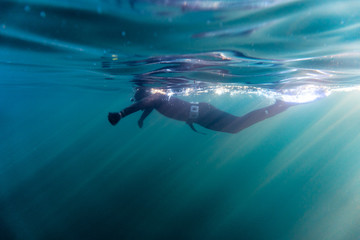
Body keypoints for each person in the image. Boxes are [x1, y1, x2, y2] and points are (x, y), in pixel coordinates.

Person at [108, 88, 297, 134]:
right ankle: (280, 106)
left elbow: (145, 103)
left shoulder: (155, 96)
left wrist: (122, 114)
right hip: (199, 117)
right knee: (235, 128)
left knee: (237, 126)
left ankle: (280, 105)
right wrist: (142, 118)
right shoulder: (154, 100)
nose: (141, 102)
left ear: (144, 95)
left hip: (202, 113)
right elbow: (146, 106)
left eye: (140, 99)